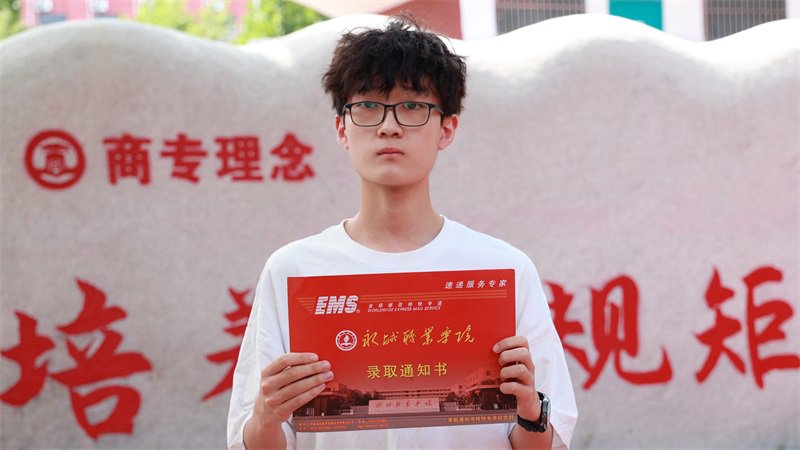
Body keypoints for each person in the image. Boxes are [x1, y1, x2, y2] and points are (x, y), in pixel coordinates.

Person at [227, 16, 578, 450]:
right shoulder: (293, 271)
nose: (388, 125)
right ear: (342, 128)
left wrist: (530, 412)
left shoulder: (503, 270)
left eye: (412, 106)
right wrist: (266, 415)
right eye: (368, 105)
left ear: (446, 128)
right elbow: (252, 441)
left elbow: (547, 440)